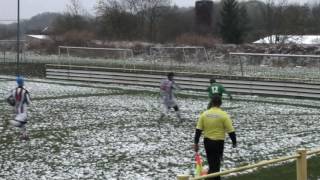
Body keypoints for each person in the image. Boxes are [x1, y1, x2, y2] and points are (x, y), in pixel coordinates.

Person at [194, 94, 237, 180]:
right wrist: (234, 142)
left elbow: (198, 130)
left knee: (211, 162)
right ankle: (214, 177)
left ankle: (212, 176)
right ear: (220, 103)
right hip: (218, 143)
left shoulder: (204, 114)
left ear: (212, 103)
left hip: (207, 142)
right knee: (216, 164)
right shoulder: (224, 115)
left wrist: (196, 143)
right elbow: (231, 131)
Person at [6, 76, 31, 140]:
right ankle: (11, 122)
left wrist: (12, 103)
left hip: (16, 109)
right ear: (22, 82)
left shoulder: (13, 90)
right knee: (20, 123)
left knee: (22, 123)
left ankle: (24, 136)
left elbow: (8, 98)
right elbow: (29, 102)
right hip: (23, 110)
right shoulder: (25, 91)